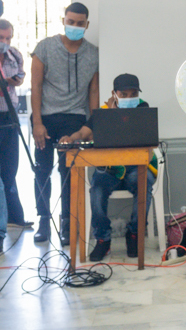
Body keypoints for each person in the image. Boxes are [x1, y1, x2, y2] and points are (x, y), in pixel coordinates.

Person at [59, 73, 156, 261]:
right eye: (124, 94)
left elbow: (138, 134)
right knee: (96, 190)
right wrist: (71, 138)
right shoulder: (103, 112)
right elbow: (84, 132)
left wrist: (116, 115)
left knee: (143, 184)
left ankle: (134, 234)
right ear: (114, 93)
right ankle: (103, 239)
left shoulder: (143, 108)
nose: (129, 98)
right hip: (110, 169)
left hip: (137, 167)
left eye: (133, 93)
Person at [31, 2, 99, 245]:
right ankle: (42, 220)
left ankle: (67, 223)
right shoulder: (45, 48)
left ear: (86, 25)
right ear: (64, 20)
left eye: (80, 23)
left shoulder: (93, 53)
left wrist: (93, 125)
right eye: (71, 22)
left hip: (75, 120)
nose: (75, 26)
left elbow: (93, 92)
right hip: (46, 118)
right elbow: (36, 86)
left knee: (69, 172)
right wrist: (37, 123)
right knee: (42, 170)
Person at [0, 19, 30, 228]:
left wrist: (12, 80)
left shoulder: (15, 55)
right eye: (1, 38)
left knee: (10, 168)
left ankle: (14, 218)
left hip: (9, 116)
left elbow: (19, 77)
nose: (5, 42)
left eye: (8, 38)